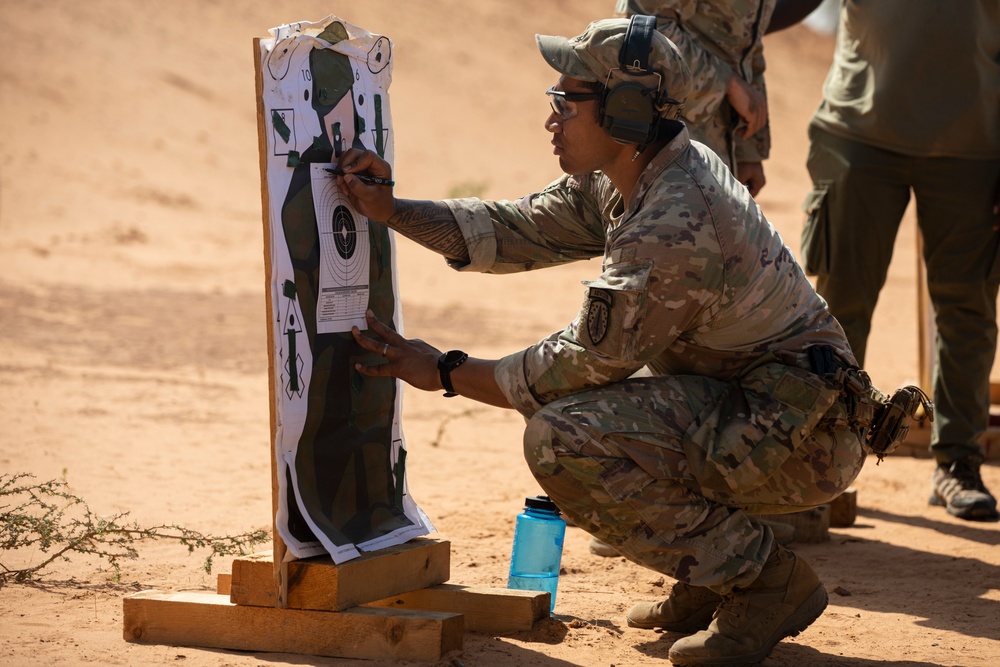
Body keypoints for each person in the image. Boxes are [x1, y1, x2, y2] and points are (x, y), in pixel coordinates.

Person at [337, 17, 877, 665]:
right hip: (765, 408)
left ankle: (763, 580)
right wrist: (390, 207)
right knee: (600, 419)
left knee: (565, 437)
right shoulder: (637, 173)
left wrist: (446, 369)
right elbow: (513, 229)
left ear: (625, 112)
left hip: (806, 436)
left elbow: (577, 365)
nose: (553, 120)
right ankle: (713, 572)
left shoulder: (675, 220)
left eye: (567, 104)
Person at [801, 0, 1000, 521]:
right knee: (840, 303)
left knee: (967, 306)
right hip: (859, 133)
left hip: (974, 143)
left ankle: (958, 462)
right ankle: (821, 465)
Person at [612, 0, 823, 199]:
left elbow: (745, 43)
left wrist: (746, 149)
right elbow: (640, 28)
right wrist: (726, 82)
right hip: (662, 138)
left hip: (715, 147)